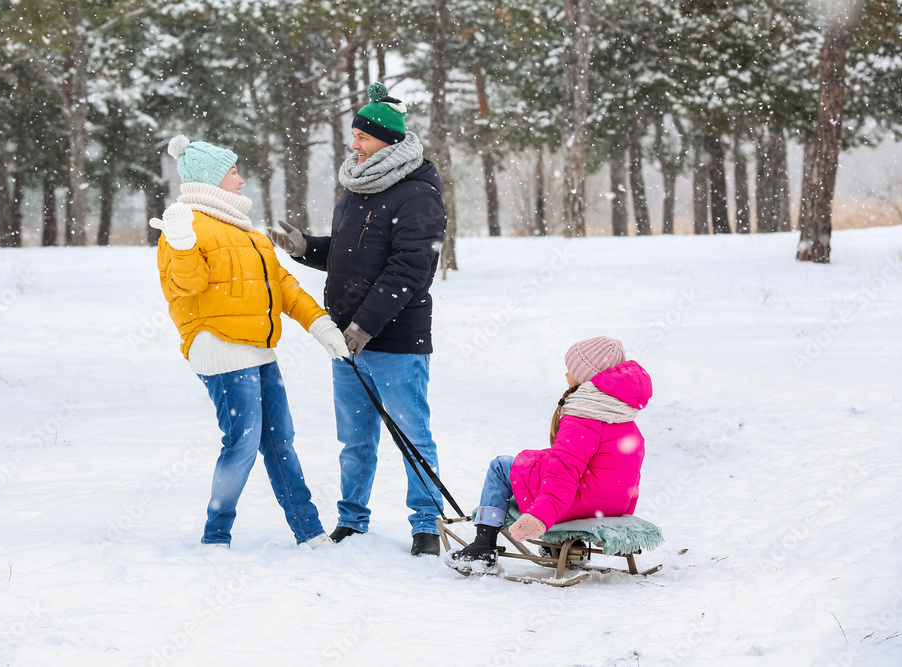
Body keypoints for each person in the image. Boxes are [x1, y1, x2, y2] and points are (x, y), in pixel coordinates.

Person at [268, 82, 448, 556]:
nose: (355, 145)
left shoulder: (418, 194)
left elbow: (409, 267)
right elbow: (349, 257)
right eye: (354, 137)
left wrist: (364, 325)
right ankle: (352, 519)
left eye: (363, 138)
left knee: (411, 435)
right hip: (346, 341)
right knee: (354, 439)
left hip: (394, 340)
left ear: (388, 141)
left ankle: (427, 524)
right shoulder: (356, 187)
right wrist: (305, 247)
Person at [150, 135, 349, 549]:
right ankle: (216, 533)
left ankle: (308, 531)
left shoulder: (249, 234)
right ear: (211, 179)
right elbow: (186, 287)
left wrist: (321, 326)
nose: (241, 179)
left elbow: (284, 286)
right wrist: (183, 245)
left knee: (279, 439)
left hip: (259, 348)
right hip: (219, 348)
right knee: (241, 441)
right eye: (233, 172)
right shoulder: (183, 227)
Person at [445, 337, 653, 574]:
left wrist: (540, 517)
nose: (567, 375)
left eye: (572, 370)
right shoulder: (626, 420)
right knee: (542, 458)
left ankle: (482, 548)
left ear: (587, 377)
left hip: (577, 504)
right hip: (612, 505)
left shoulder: (583, 417)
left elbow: (562, 475)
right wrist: (623, 515)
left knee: (501, 466)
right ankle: (558, 544)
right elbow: (628, 477)